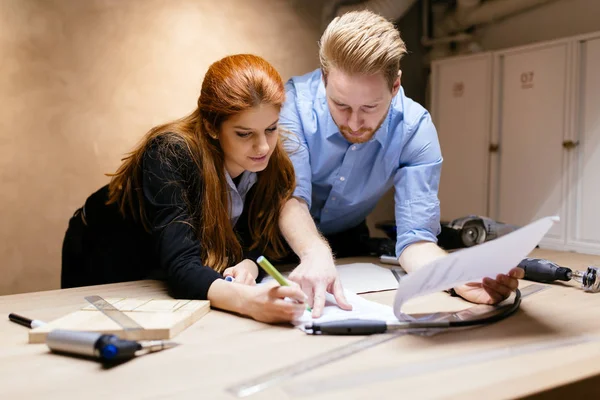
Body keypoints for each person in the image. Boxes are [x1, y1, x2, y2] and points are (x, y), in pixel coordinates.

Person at [278, 10, 524, 317]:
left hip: (347, 238)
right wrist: (314, 252)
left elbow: (415, 239)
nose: (354, 123)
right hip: (276, 235)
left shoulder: (415, 129)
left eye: (370, 107)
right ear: (325, 78)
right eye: (340, 105)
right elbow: (291, 199)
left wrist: (456, 276)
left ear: (395, 87)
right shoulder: (291, 105)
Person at [61, 54, 307, 324]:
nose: (263, 147)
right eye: (244, 133)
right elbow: (180, 269)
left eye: (270, 129)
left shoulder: (274, 161)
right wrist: (249, 302)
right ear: (212, 127)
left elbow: (261, 233)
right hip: (108, 251)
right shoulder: (168, 153)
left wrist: (249, 263)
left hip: (171, 270)